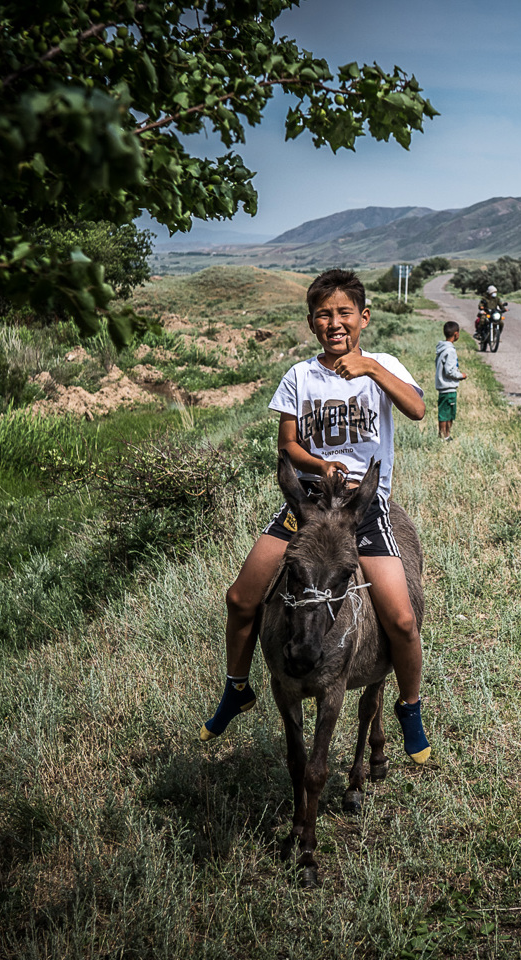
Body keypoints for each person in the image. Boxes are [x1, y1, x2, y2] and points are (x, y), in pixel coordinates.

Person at [201, 268, 434, 765]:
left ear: (364, 317)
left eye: (344, 312)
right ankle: (236, 687)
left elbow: (417, 409)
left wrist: (370, 369)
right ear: (311, 323)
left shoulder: (384, 365)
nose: (334, 323)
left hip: (362, 508)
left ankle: (409, 707)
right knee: (241, 598)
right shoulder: (299, 377)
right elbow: (287, 445)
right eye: (323, 315)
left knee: (401, 617)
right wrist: (318, 464)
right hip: (307, 506)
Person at [435, 319, 468, 441]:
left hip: (443, 386)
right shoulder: (450, 351)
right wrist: (461, 375)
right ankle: (444, 436)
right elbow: (449, 371)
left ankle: (445, 435)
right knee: (446, 414)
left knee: (447, 412)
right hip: (448, 387)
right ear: (456, 334)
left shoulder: (442, 349)